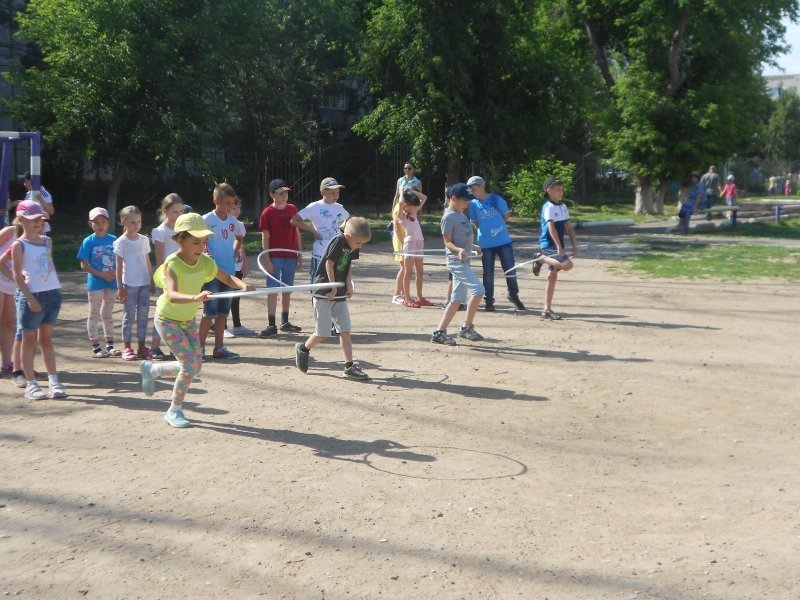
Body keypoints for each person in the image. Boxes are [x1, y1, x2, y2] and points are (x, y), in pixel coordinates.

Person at [141, 213, 252, 428]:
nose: (201, 246)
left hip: (187, 319)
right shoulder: (173, 264)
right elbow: (172, 294)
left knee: (195, 365)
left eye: (204, 241)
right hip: (167, 320)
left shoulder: (205, 262)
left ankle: (152, 370)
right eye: (195, 242)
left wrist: (241, 285)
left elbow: (227, 277)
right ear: (180, 240)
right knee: (190, 364)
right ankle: (174, 410)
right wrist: (195, 297)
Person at [293, 216, 371, 380]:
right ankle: (303, 348)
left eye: (362, 244)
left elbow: (348, 263)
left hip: (339, 291)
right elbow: (329, 263)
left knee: (345, 330)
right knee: (322, 333)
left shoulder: (353, 243)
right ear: (349, 236)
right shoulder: (338, 241)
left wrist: (348, 283)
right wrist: (333, 286)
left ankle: (349, 366)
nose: (360, 247)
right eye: (358, 244)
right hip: (324, 291)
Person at [10, 200, 66, 399]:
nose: (38, 223)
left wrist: (55, 290)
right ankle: (31, 384)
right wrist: (30, 298)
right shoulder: (19, 245)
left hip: (52, 295)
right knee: (29, 341)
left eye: (40, 220)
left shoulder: (46, 241)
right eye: (33, 219)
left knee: (47, 340)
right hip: (33, 298)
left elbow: (47, 267)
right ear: (21, 219)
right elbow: (17, 275)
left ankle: (54, 381)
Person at [431, 183, 485, 345]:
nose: (467, 204)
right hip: (457, 262)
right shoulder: (448, 217)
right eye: (465, 201)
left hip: (464, 260)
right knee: (478, 290)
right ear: (453, 199)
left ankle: (439, 332)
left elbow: (463, 236)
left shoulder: (461, 214)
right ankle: (466, 327)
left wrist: (472, 247)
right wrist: (459, 250)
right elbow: (447, 242)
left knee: (456, 299)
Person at [198, 183, 244, 359]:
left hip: (229, 273)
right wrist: (206, 253)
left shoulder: (233, 222)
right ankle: (200, 349)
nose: (231, 207)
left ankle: (219, 347)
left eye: (233, 204)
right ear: (216, 201)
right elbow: (200, 241)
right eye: (227, 203)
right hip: (211, 274)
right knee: (209, 312)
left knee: (223, 313)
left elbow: (240, 238)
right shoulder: (206, 220)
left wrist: (233, 251)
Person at [466, 175, 525, 311]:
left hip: (503, 240)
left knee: (509, 268)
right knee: (488, 273)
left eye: (473, 189)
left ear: (482, 186)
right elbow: (475, 222)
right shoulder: (473, 204)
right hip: (486, 243)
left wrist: (497, 227)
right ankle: (489, 301)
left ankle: (513, 294)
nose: (471, 192)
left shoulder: (496, 199)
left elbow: (506, 215)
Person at [258, 178, 303, 337]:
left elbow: (296, 231)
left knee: (287, 289)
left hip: (290, 255)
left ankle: (285, 321)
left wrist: (299, 252)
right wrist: (267, 259)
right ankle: (272, 324)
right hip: (275, 256)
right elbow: (265, 236)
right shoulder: (267, 213)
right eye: (280, 193)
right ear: (272, 195)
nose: (284, 195)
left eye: (285, 192)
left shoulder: (292, 209)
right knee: (273, 290)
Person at [76, 207, 121, 358]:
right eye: (96, 222)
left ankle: (110, 345)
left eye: (103, 221)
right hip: (96, 282)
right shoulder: (88, 241)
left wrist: (114, 273)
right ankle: (96, 346)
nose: (100, 225)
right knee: (93, 314)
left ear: (108, 223)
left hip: (112, 282)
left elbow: (120, 260)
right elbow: (84, 265)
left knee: (107, 313)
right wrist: (101, 274)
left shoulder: (114, 240)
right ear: (90, 224)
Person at [531, 177, 578, 320]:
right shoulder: (548, 207)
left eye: (562, 190)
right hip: (548, 244)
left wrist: (574, 246)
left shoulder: (563, 207)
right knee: (567, 265)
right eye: (558, 190)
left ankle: (546, 309)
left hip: (559, 245)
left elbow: (569, 227)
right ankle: (541, 258)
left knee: (552, 276)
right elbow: (551, 229)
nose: (561, 192)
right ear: (549, 191)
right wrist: (558, 247)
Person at [114, 206, 153, 361]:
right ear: (123, 222)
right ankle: (127, 347)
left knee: (143, 315)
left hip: (144, 283)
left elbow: (147, 261)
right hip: (129, 284)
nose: (136, 225)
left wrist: (151, 280)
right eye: (132, 222)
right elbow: (118, 266)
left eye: (139, 221)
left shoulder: (144, 240)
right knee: (129, 315)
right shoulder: (121, 242)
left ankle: (142, 346)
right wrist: (120, 287)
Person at [150, 193, 185, 360]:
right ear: (165, 211)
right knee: (163, 312)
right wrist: (161, 279)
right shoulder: (160, 232)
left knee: (180, 312)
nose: (177, 215)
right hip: (167, 276)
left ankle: (175, 347)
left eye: (180, 211)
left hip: (183, 275)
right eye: (174, 212)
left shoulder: (183, 229)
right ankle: (155, 347)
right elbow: (160, 259)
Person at [390, 162, 422, 305]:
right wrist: (402, 242)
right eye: (405, 168)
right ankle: (398, 294)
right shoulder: (401, 208)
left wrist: (412, 192)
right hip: (402, 238)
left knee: (406, 267)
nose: (407, 170)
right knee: (404, 267)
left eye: (409, 168)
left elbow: (421, 198)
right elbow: (397, 227)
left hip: (410, 237)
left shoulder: (411, 209)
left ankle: (403, 293)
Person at [395, 187, 432, 307]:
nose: (415, 207)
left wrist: (412, 191)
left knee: (420, 271)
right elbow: (401, 202)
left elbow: (424, 198)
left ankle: (419, 297)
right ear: (406, 205)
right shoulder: (401, 214)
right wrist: (402, 193)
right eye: (412, 205)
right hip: (410, 243)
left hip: (419, 242)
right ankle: (407, 298)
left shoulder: (414, 211)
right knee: (408, 272)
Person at [226, 196, 254, 337]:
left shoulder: (240, 225)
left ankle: (237, 325)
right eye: (233, 208)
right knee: (225, 295)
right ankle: (222, 326)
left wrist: (245, 264)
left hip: (237, 265)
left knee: (236, 296)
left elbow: (241, 246)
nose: (236, 210)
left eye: (238, 208)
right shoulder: (223, 224)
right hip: (225, 266)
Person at [0, 223, 18, 374]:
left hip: (12, 285)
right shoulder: (10, 232)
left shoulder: (37, 237)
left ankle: (6, 362)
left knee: (9, 322)